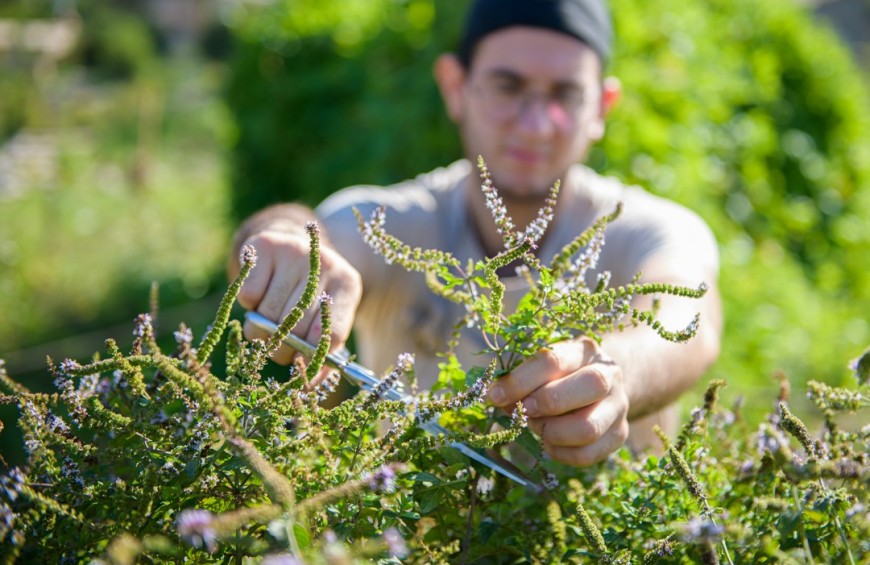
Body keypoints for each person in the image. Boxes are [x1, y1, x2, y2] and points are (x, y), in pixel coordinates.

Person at [228, 0, 722, 466]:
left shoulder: (648, 230)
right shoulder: (392, 224)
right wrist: (285, 245)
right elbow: (311, 239)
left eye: (565, 95)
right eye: (508, 87)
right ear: (455, 87)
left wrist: (617, 374)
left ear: (602, 108)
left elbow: (690, 322)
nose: (534, 124)